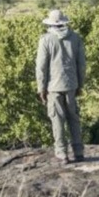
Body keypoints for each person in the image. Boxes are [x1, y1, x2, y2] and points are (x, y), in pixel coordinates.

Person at [36, 9, 86, 165]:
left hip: (53, 87)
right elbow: (82, 65)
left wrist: (41, 88)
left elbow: (41, 67)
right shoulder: (75, 38)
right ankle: (78, 152)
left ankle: (62, 153)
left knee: (57, 119)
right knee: (74, 118)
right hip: (71, 85)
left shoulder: (46, 40)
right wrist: (80, 84)